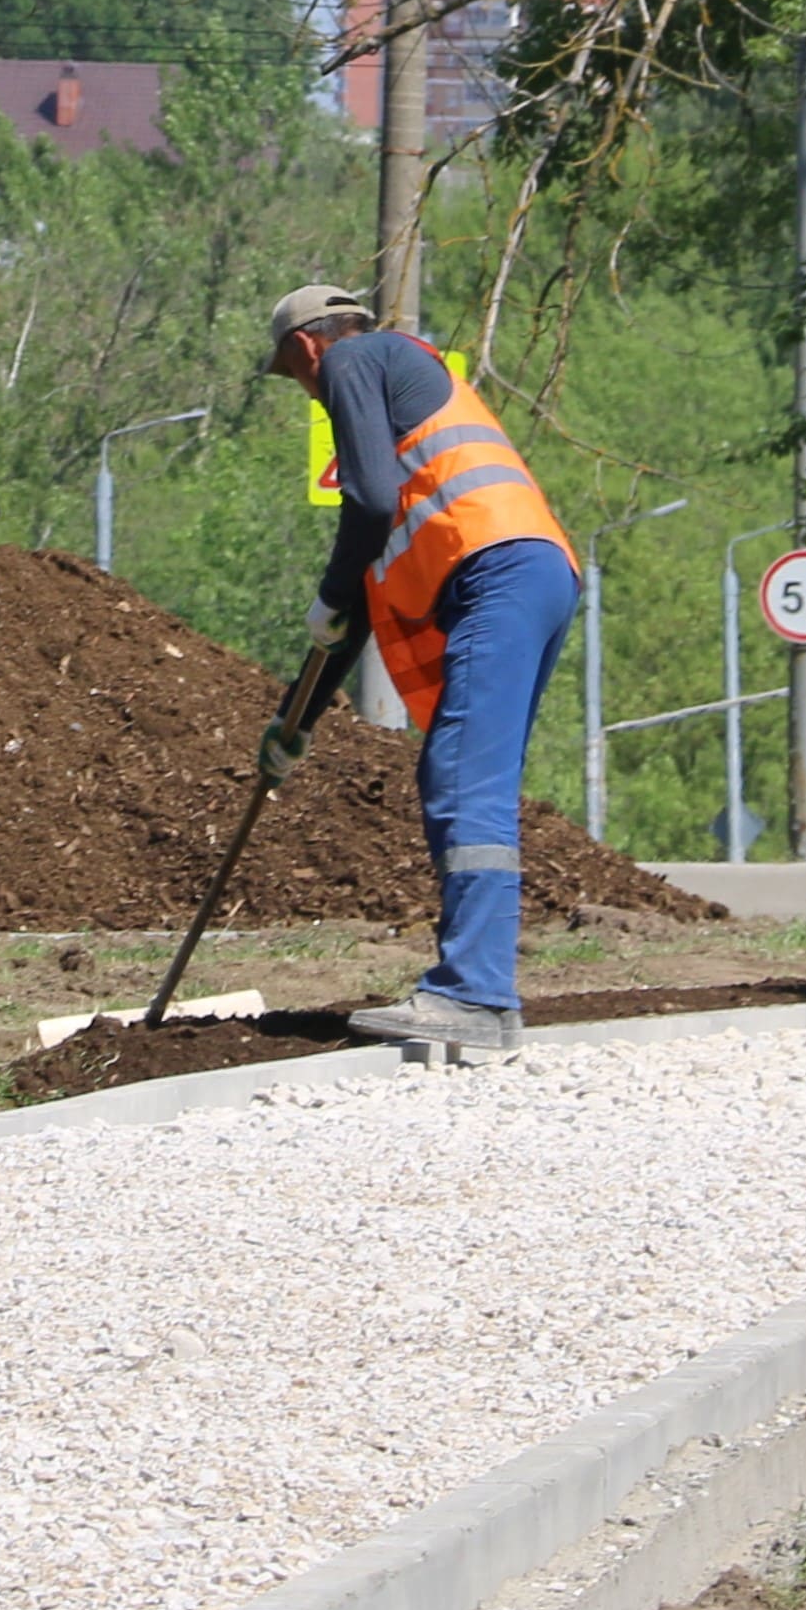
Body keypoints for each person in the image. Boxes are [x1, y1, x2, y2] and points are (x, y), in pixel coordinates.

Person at [258, 282, 579, 1063]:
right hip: (530, 574)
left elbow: (365, 510)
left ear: (307, 348)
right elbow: (361, 606)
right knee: (474, 779)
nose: (309, 394)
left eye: (297, 378)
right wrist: (294, 725)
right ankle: (487, 1000)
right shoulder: (403, 412)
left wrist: (329, 592)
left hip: (494, 572)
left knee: (463, 779)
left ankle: (470, 994)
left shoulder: (356, 360)